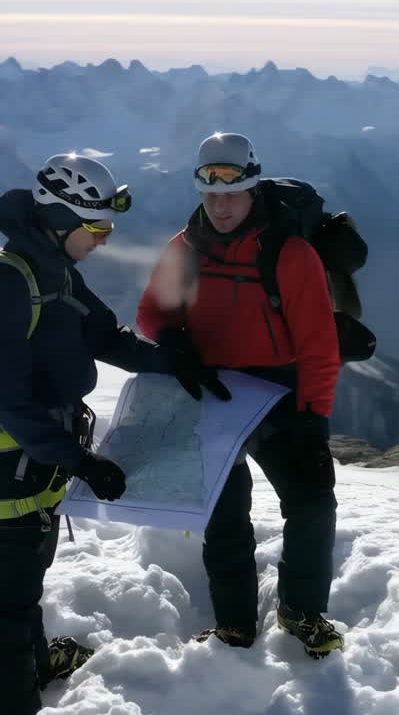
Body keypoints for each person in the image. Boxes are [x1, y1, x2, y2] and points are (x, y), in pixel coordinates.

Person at [0, 153, 228, 714]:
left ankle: (35, 665)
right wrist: (79, 462)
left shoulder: (55, 269)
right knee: (12, 587)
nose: (105, 240)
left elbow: (106, 336)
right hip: (16, 450)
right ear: (60, 222)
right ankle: (11, 704)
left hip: (45, 445)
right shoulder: (4, 281)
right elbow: (5, 396)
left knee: (31, 565)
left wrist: (173, 364)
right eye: (96, 227)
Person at [136, 133, 344, 658]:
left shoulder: (290, 254)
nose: (221, 206)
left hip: (282, 392)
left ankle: (301, 610)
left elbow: (320, 344)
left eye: (232, 193)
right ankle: (233, 625)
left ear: (252, 189)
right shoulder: (184, 247)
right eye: (210, 195)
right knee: (225, 515)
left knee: (312, 503)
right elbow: (151, 313)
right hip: (216, 390)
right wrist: (173, 339)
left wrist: (316, 413)